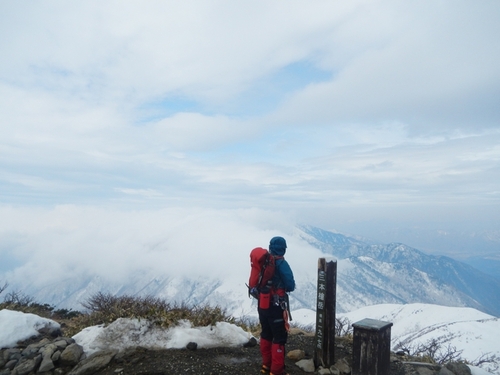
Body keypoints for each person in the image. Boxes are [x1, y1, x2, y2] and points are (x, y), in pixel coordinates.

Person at [258, 236, 295, 375]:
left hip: (262, 304)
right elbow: (290, 285)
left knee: (266, 334)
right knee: (279, 338)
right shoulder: (281, 264)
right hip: (276, 306)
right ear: (284, 249)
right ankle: (277, 371)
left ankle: (266, 366)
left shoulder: (264, 262)